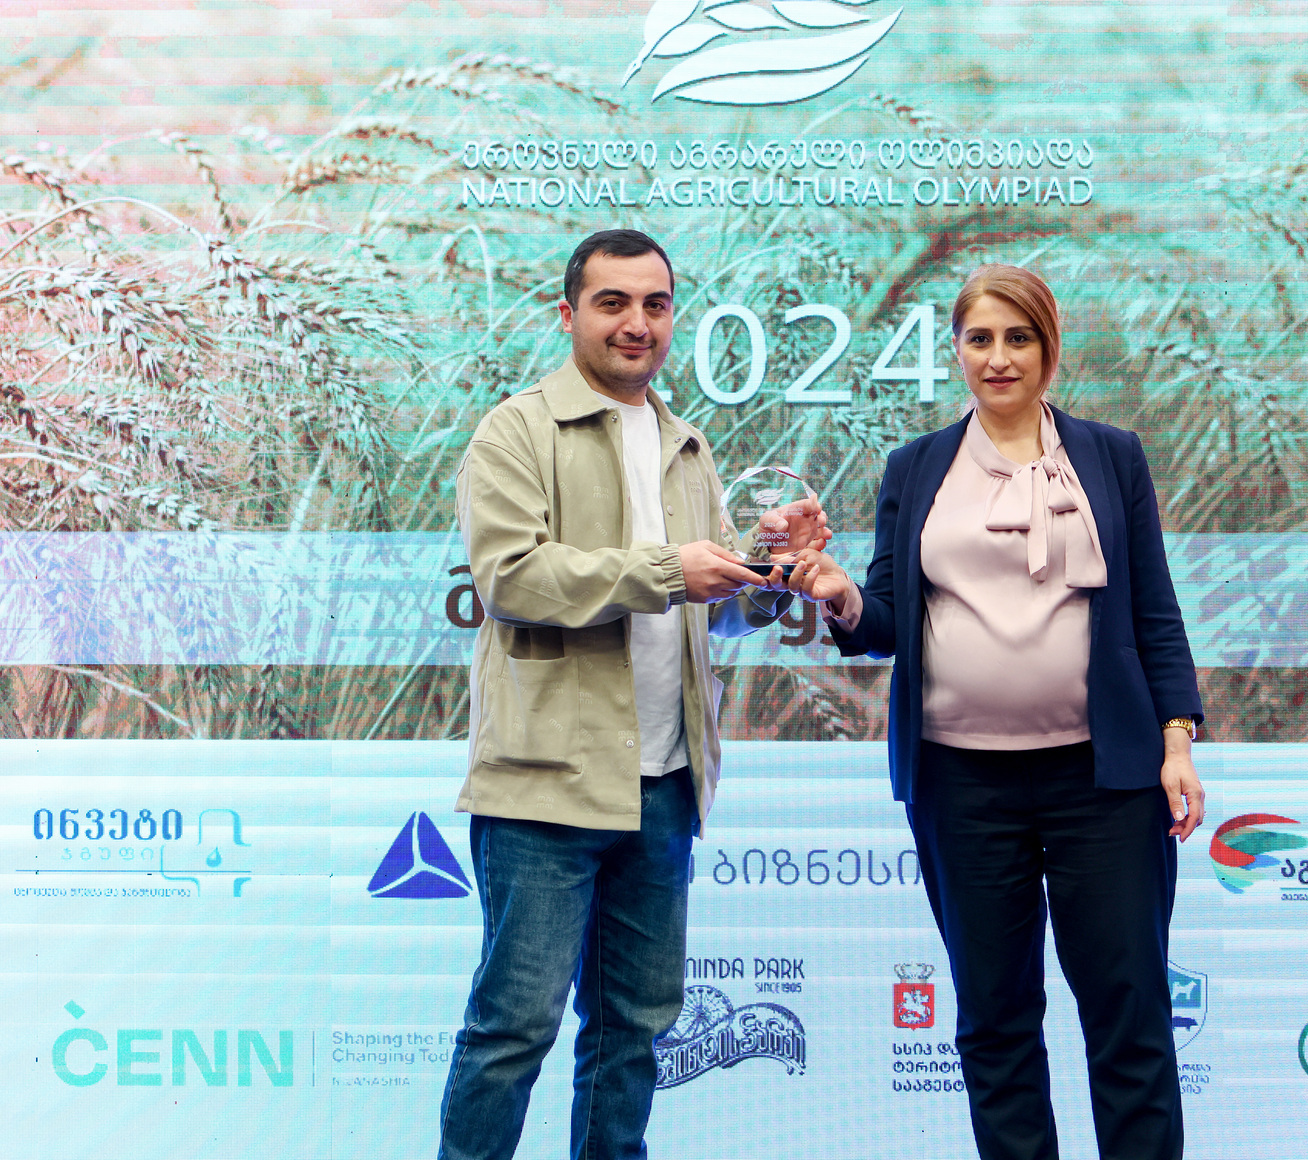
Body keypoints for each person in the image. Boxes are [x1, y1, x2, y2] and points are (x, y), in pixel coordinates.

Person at [782, 264, 1205, 1159]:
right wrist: (841, 595)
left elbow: (1156, 613)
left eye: (1019, 338)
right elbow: (886, 619)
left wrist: (1177, 740)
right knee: (994, 1020)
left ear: (1050, 350)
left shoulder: (1112, 456)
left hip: (1105, 781)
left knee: (1129, 1015)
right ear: (957, 350)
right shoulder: (916, 468)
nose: (999, 358)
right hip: (961, 785)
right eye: (980, 339)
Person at [440, 228, 828, 1160]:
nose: (636, 323)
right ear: (568, 314)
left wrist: (769, 569)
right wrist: (666, 570)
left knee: (633, 1036)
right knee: (511, 1032)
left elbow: (712, 611)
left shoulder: (687, 443)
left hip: (663, 789)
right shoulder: (515, 431)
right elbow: (510, 579)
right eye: (612, 302)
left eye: (655, 305)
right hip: (544, 791)